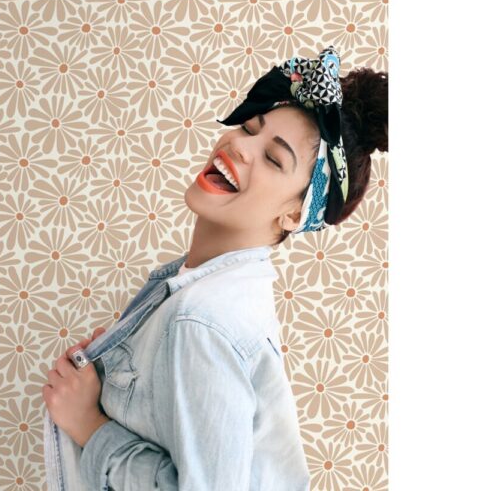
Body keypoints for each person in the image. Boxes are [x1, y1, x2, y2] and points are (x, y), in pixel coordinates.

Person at [42, 45, 389, 490]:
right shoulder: (196, 296)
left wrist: (89, 425)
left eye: (273, 159)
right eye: (248, 127)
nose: (239, 146)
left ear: (294, 214)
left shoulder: (204, 320)